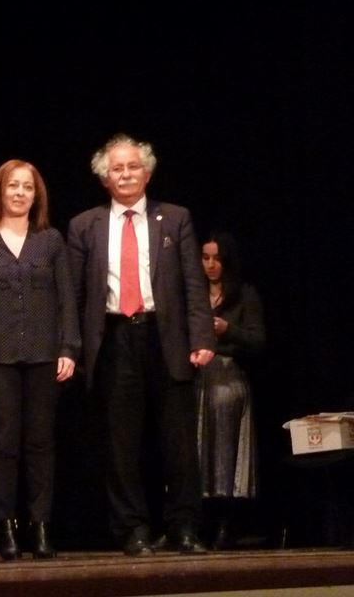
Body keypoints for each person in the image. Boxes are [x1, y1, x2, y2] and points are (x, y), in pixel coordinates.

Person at [67, 133, 216, 556]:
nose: (126, 174)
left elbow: (193, 284)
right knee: (121, 443)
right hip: (114, 338)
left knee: (178, 442)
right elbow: (74, 296)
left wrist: (201, 336)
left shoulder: (176, 218)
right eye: (117, 168)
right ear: (105, 178)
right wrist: (72, 348)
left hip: (166, 337)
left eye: (133, 166)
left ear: (147, 173)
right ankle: (131, 528)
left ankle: (184, 526)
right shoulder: (84, 225)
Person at [0, 159, 80, 560]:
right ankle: (6, 527)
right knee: (3, 443)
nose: (20, 193)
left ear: (36, 195)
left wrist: (69, 348)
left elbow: (66, 299)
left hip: (45, 355)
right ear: (0, 191)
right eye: (13, 185)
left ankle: (40, 525)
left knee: (41, 442)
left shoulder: (51, 241)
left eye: (27, 187)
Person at [198, 230, 266, 549]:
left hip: (228, 373)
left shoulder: (243, 294)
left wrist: (229, 330)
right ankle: (191, 521)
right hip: (197, 376)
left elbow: (258, 339)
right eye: (205, 258)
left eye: (217, 259)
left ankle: (226, 521)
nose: (211, 265)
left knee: (224, 445)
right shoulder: (194, 294)